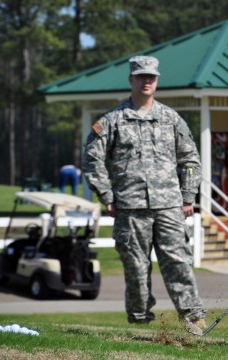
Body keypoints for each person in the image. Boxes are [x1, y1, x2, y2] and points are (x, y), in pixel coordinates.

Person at [82, 55, 207, 335]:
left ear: (157, 80)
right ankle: (139, 318)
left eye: (152, 77)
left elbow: (190, 160)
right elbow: (91, 159)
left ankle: (193, 318)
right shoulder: (112, 121)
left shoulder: (171, 118)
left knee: (178, 261)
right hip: (130, 206)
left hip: (169, 206)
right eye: (141, 76)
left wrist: (188, 196)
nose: (147, 81)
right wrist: (107, 195)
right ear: (131, 80)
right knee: (136, 267)